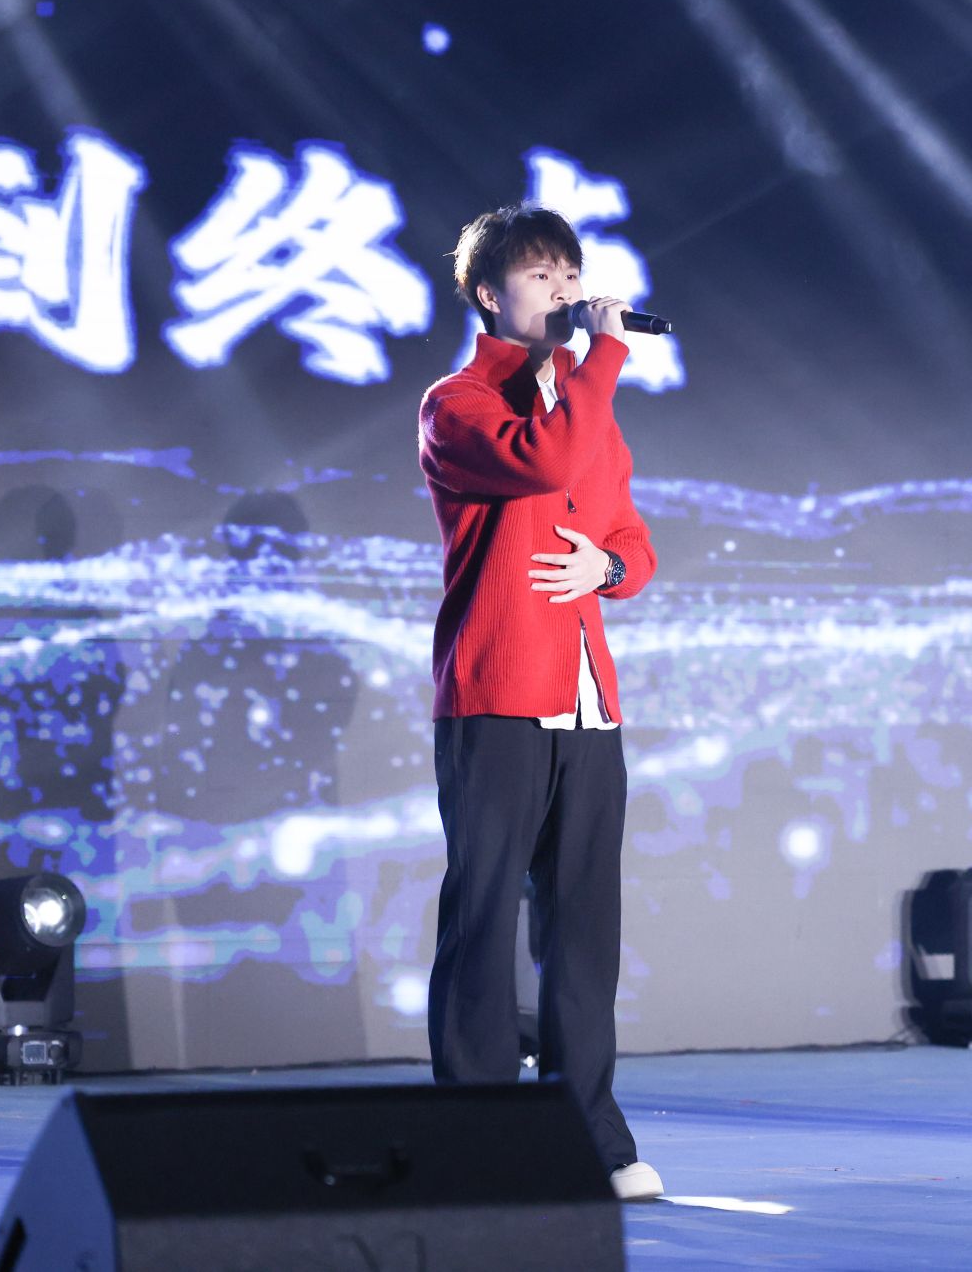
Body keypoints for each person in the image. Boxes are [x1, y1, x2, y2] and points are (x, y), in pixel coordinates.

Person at [417, 204, 663, 1200]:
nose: (564, 289)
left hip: (588, 702)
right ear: (489, 293)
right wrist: (603, 358)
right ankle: (478, 1140)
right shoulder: (459, 403)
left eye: (571, 272)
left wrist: (609, 568)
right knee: (483, 921)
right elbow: (545, 460)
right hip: (495, 696)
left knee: (582, 930)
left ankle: (589, 1137)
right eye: (540, 274)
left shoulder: (586, 405)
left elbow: (633, 541)